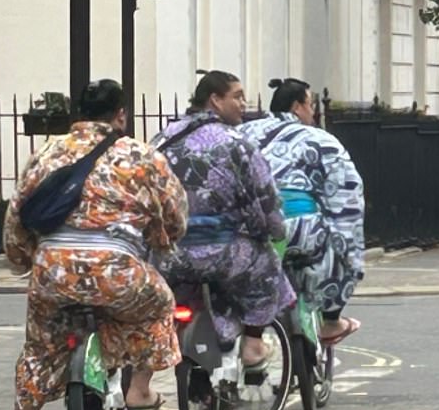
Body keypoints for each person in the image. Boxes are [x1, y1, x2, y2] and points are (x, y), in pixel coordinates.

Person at [2, 79, 187, 410]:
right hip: (116, 269)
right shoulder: (139, 155)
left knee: (40, 348)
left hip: (53, 269)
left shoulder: (48, 152)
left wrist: (22, 258)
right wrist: (163, 238)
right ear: (120, 114)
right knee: (160, 303)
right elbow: (173, 213)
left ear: (78, 114)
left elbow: (17, 212)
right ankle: (139, 390)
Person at [152, 70, 295, 370]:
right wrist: (273, 230)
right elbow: (264, 195)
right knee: (266, 268)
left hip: (168, 255)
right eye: (237, 96)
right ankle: (253, 345)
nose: (243, 103)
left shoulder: (161, 139)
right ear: (215, 100)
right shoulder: (235, 142)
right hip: (223, 253)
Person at [241, 78, 365, 345]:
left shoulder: (243, 133)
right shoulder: (320, 138)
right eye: (311, 105)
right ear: (297, 106)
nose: (313, 113)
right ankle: (331, 321)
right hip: (299, 228)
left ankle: (250, 336)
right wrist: (345, 238)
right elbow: (346, 191)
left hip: (249, 230)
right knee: (337, 251)